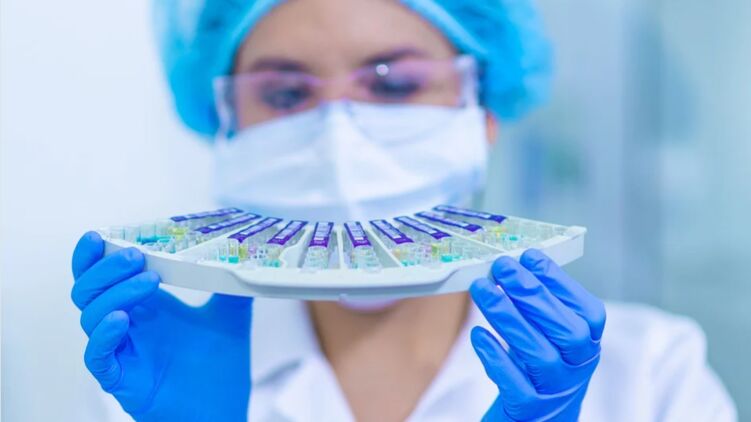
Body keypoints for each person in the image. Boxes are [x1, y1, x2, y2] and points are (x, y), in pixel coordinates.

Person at [70, 0, 737, 420]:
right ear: (227, 127)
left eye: (394, 84)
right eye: (285, 95)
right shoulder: (151, 382)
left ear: (483, 113)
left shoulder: (651, 376)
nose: (339, 141)